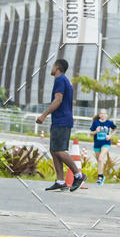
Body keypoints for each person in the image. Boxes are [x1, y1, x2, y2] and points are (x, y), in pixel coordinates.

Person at [36, 59, 87, 192]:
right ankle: (60, 181)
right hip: (61, 119)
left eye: (52, 66)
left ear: (57, 67)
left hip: (62, 120)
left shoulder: (60, 80)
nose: (51, 68)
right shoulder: (65, 80)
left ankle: (79, 175)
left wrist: (43, 115)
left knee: (59, 150)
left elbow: (58, 99)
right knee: (54, 150)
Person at [90, 109, 116, 184]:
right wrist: (96, 131)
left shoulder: (109, 123)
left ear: (106, 115)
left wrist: (110, 136)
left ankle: (100, 177)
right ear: (99, 115)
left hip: (106, 143)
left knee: (101, 158)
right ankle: (102, 175)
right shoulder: (95, 122)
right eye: (101, 113)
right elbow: (91, 133)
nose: (103, 115)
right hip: (97, 144)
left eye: (104, 113)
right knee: (99, 161)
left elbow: (115, 129)